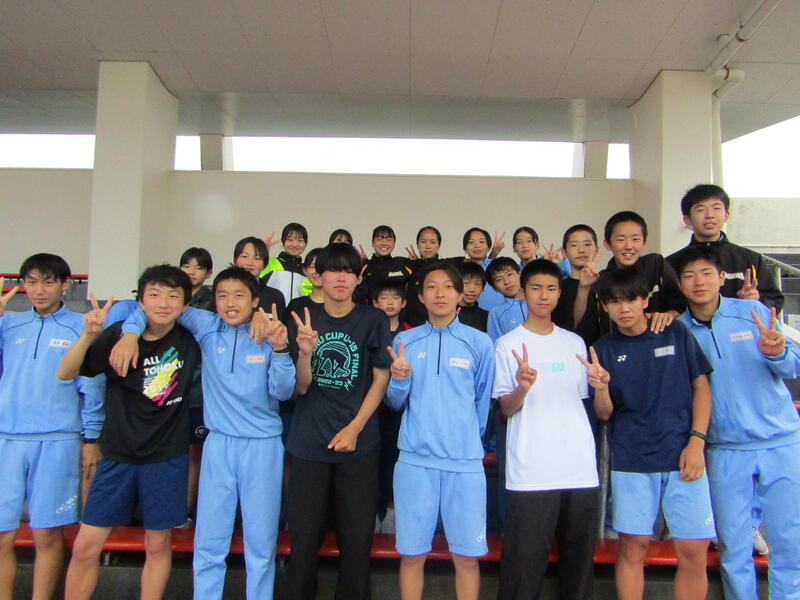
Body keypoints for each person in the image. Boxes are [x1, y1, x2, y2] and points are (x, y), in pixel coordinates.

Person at [111, 266, 293, 600]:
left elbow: (283, 391)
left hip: (262, 446)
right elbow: (159, 308)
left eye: (239, 296)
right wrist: (129, 335)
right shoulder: (207, 326)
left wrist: (280, 349)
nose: (230, 303)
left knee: (261, 543)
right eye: (222, 296)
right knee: (209, 540)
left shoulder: (270, 333)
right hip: (218, 443)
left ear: (255, 300)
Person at [58, 265, 200, 600]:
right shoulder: (117, 335)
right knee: (86, 545)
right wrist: (89, 335)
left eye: (173, 296)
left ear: (185, 305)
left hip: (166, 457)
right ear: (141, 300)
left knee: (158, 545)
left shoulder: (191, 340)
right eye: (154, 294)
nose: (163, 303)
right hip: (117, 456)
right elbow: (65, 372)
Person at [581, 267, 715, 600]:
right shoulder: (602, 349)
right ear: (604, 306)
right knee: (633, 545)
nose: (623, 308)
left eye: (631, 299)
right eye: (614, 301)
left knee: (693, 549)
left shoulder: (674, 332)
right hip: (632, 459)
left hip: (684, 456)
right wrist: (601, 387)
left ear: (645, 300)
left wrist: (696, 442)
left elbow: (701, 387)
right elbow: (604, 413)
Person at [676, 245, 800, 600]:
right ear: (680, 285)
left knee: (790, 540)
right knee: (733, 545)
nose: (699, 282)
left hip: (781, 441)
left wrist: (777, 353)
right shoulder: (679, 330)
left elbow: (793, 366)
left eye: (706, 274)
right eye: (689, 276)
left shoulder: (752, 311)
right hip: (725, 449)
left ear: (721, 278)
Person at [285, 243, 391, 600]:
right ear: (319, 276)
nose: (341, 277)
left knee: (357, 540)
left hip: (359, 445)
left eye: (349, 271)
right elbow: (300, 387)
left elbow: (381, 379)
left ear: (359, 278)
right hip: (308, 443)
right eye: (333, 270)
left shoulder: (373, 319)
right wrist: (305, 353)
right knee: (303, 539)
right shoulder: (303, 317)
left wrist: (355, 427)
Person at [386, 261, 494, 600]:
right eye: (431, 286)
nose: (440, 293)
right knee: (412, 554)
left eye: (448, 286)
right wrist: (399, 380)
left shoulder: (479, 343)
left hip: (464, 464)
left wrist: (466, 440)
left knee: (467, 558)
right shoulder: (405, 341)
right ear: (420, 296)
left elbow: (482, 403)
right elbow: (394, 402)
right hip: (415, 463)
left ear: (461, 295)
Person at [0, 256, 104, 600]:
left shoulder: (81, 326)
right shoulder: (8, 324)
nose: (39, 290)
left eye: (48, 281)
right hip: (6, 438)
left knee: (47, 534)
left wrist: (91, 438)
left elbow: (91, 388)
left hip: (57, 439)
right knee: (2, 535)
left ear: (65, 284)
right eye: (31, 282)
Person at [494, 259, 598, 600]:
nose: (544, 295)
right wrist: (522, 388)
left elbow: (583, 401)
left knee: (579, 565)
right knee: (523, 566)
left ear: (559, 294)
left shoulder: (575, 343)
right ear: (523, 292)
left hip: (579, 468)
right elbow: (505, 409)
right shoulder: (507, 344)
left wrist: (602, 386)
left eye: (551, 289)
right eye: (536, 288)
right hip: (531, 470)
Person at [666, 183, 783, 311]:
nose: (709, 215)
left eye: (716, 208)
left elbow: (775, 301)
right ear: (687, 219)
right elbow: (664, 304)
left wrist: (756, 300)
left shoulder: (751, 259)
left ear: (726, 215)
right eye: (700, 210)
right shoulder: (671, 263)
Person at [595, 211, 684, 335]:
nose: (628, 246)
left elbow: (680, 299)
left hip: (662, 336)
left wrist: (668, 315)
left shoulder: (655, 263)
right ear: (607, 244)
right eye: (620, 240)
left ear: (644, 242)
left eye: (635, 239)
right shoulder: (603, 279)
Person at [372, 279, 412, 533]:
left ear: (404, 303)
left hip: (399, 408)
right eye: (384, 297)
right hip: (371, 405)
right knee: (372, 459)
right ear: (375, 303)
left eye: (395, 297)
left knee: (395, 459)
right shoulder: (368, 329)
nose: (390, 302)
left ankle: (391, 509)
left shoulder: (411, 333)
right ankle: (372, 510)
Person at [553, 224, 601, 345]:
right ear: (564, 252)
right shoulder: (558, 289)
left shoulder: (607, 283)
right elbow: (571, 327)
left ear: (596, 250)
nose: (581, 250)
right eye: (574, 245)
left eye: (587, 244)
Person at [233, 236, 288, 322]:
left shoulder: (275, 296)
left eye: (257, 258)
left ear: (264, 265)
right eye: (244, 256)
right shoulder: (222, 291)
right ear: (235, 260)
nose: (249, 263)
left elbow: (281, 327)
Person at [359, 225, 413, 303]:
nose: (384, 243)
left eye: (389, 239)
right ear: (372, 243)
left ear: (394, 244)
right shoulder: (364, 267)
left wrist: (418, 259)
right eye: (379, 239)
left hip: (400, 311)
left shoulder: (404, 263)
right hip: (370, 310)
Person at [261, 223, 308, 305]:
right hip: (272, 311)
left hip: (299, 312)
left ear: (306, 244)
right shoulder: (269, 263)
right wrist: (261, 252)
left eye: (300, 240)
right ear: (283, 241)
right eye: (290, 240)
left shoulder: (307, 270)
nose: (294, 244)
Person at [405, 226, 443, 327]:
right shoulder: (410, 266)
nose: (428, 246)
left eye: (432, 242)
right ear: (417, 244)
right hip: (411, 326)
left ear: (439, 245)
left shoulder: (445, 268)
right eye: (423, 241)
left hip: (438, 325)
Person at [485, 257, 527, 343]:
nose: (506, 282)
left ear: (520, 274)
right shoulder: (496, 312)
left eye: (509, 274)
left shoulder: (536, 301)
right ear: (495, 288)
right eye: (499, 279)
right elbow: (495, 343)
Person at [462, 227, 505, 311]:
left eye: (481, 242)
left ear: (489, 248)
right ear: (465, 249)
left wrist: (494, 252)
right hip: (472, 315)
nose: (476, 246)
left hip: (499, 315)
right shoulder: (460, 270)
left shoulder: (499, 267)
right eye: (471, 242)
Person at [457, 261, 489, 333]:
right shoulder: (445, 314)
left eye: (478, 284)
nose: (472, 289)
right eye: (466, 283)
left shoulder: (487, 317)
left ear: (483, 288)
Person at [179, 247, 214, 311]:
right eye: (187, 267)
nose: (191, 272)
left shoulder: (209, 299)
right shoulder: (174, 293)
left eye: (199, 268)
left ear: (209, 273)